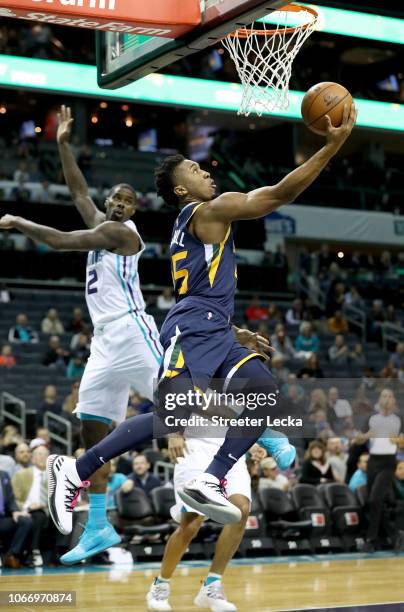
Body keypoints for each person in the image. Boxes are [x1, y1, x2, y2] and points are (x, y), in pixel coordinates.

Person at [39, 102, 355, 535]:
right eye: (192, 168)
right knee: (174, 417)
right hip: (193, 327)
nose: (204, 170)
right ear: (182, 191)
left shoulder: (199, 221)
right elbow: (279, 195)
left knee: (262, 391)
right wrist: (331, 147)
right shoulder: (209, 211)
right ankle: (75, 471)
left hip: (214, 325)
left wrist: (232, 329)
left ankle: (211, 476)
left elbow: (202, 287)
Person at [147, 433, 251, 612]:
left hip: (233, 445)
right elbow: (167, 403)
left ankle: (211, 585)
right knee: (191, 523)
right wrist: (174, 433)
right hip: (195, 445)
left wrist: (255, 442)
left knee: (240, 511)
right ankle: (160, 584)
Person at [356, 388, 404, 552]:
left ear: (393, 401)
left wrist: (396, 440)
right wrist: (367, 434)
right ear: (380, 399)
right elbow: (359, 439)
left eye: (390, 396)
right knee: (374, 502)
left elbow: (402, 441)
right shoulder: (371, 418)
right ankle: (395, 535)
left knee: (376, 499)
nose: (387, 399)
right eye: (384, 396)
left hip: (388, 462)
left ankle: (371, 539)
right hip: (373, 461)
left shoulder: (399, 419)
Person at [11, 445, 50, 567]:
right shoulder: (21, 475)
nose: (42, 457)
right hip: (27, 510)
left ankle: (60, 553)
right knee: (38, 516)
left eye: (45, 454)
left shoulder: (55, 477)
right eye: (39, 454)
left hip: (49, 509)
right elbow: (14, 497)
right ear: (32, 459)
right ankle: (32, 552)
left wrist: (44, 505)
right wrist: (28, 506)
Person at [0, 469, 33, 569]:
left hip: (2, 518)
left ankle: (11, 555)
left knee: (25, 520)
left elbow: (10, 498)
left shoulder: (4, 474)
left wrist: (15, 511)